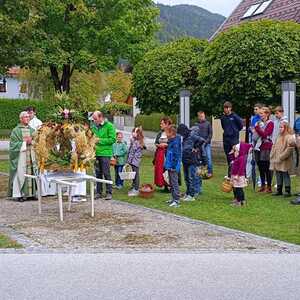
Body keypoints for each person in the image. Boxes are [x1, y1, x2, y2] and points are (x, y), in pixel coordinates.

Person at [8, 111, 37, 202]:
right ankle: (19, 194)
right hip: (21, 157)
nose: (27, 118)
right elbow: (13, 145)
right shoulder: (16, 131)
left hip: (31, 156)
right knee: (20, 173)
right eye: (25, 117)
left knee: (32, 173)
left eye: (28, 117)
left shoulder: (32, 130)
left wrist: (32, 142)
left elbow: (36, 142)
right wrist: (24, 143)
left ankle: (31, 194)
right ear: (21, 119)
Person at [91, 111, 116, 200]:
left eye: (95, 119)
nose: (94, 121)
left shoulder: (109, 126)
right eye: (93, 119)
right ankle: (99, 192)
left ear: (101, 117)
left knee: (106, 173)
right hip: (96, 153)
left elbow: (112, 139)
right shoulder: (93, 127)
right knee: (98, 173)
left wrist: (99, 140)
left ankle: (109, 192)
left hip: (105, 153)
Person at [177, 124, 205, 202]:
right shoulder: (184, 137)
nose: (181, 135)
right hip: (185, 160)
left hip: (192, 160)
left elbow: (202, 140)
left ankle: (191, 195)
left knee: (191, 177)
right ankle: (188, 193)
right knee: (186, 178)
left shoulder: (192, 135)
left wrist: (195, 147)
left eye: (181, 133)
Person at [270, 121, 295, 197]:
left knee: (285, 174)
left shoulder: (289, 137)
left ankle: (287, 191)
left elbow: (290, 149)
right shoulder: (279, 136)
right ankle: (279, 190)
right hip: (277, 159)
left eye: (282, 127)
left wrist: (282, 156)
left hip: (284, 160)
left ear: (286, 128)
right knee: (278, 174)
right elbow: (274, 146)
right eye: (279, 127)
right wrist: (272, 154)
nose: (280, 129)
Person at [254, 107, 274, 193]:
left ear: (267, 114)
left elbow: (265, 134)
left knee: (266, 167)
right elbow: (256, 135)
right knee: (260, 167)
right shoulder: (260, 123)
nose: (260, 115)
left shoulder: (270, 123)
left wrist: (257, 129)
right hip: (258, 147)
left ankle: (269, 187)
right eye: (260, 113)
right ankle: (262, 185)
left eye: (262, 113)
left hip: (266, 147)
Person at [221, 101, 243, 177]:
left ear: (230, 108)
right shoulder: (223, 117)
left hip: (234, 140)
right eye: (225, 108)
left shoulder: (235, 116)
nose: (226, 109)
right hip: (226, 140)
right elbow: (223, 126)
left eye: (227, 108)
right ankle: (230, 174)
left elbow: (240, 126)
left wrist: (234, 131)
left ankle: (235, 173)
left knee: (234, 157)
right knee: (228, 157)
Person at [229, 142, 252, 206]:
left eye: (236, 151)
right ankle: (242, 201)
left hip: (238, 176)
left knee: (239, 189)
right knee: (238, 189)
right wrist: (231, 154)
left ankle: (239, 201)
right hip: (235, 175)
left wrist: (237, 175)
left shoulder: (241, 159)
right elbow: (232, 160)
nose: (234, 153)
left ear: (240, 151)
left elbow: (241, 168)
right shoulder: (237, 158)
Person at [164, 126, 182, 208]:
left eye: (167, 132)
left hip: (173, 166)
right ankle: (173, 198)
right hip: (170, 164)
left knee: (174, 183)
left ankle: (177, 200)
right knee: (171, 182)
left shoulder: (175, 142)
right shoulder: (171, 141)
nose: (166, 134)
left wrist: (173, 166)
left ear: (171, 133)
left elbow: (176, 155)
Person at [154, 117, 173, 191]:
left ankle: (170, 185)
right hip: (160, 153)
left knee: (168, 168)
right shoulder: (160, 133)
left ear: (167, 124)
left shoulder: (171, 132)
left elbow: (173, 143)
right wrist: (159, 145)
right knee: (161, 169)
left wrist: (166, 145)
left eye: (162, 123)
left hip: (168, 152)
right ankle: (164, 185)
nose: (160, 125)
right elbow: (156, 142)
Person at [127, 127, 144, 196]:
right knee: (133, 174)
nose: (133, 133)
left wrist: (128, 161)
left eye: (135, 132)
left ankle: (136, 189)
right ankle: (134, 186)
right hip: (133, 160)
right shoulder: (135, 141)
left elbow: (133, 151)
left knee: (135, 175)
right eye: (133, 131)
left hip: (135, 161)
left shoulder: (137, 142)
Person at [195, 111, 213, 178]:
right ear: (198, 117)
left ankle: (210, 172)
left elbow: (210, 134)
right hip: (199, 144)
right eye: (201, 116)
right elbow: (195, 134)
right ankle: (202, 172)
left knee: (208, 158)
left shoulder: (208, 123)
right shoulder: (196, 124)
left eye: (203, 116)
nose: (203, 117)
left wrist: (206, 142)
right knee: (199, 158)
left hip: (207, 144)